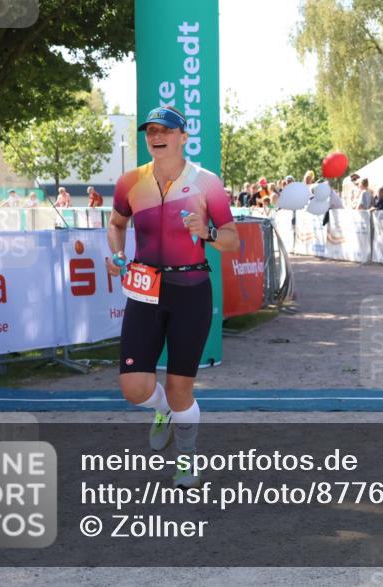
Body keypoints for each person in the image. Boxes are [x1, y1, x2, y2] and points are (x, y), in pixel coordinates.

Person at [105, 105, 239, 488]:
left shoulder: (207, 182)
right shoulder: (130, 181)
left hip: (190, 291)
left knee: (182, 388)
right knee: (134, 389)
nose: (156, 136)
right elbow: (116, 224)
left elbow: (232, 239)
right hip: (144, 289)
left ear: (183, 136)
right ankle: (161, 408)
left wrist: (207, 233)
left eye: (165, 130)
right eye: (151, 131)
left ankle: (186, 460)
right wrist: (116, 254)